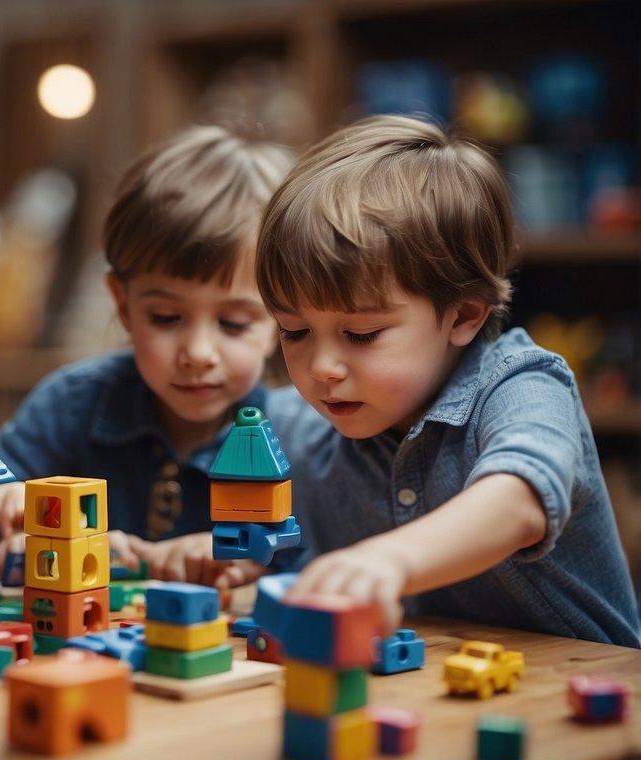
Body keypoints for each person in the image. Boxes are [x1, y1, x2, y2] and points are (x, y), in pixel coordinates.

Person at [257, 113, 640, 647]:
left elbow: (520, 501)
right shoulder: (297, 425)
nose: (321, 367)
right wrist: (216, 554)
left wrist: (392, 559)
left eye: (362, 333)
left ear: (463, 316)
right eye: (294, 331)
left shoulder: (523, 385)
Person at [0, 124, 304, 589]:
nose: (198, 354)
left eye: (235, 323)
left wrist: (247, 560)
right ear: (122, 303)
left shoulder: (302, 434)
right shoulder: (73, 404)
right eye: (165, 316)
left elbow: (321, 568)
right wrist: (12, 510)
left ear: (283, 316)